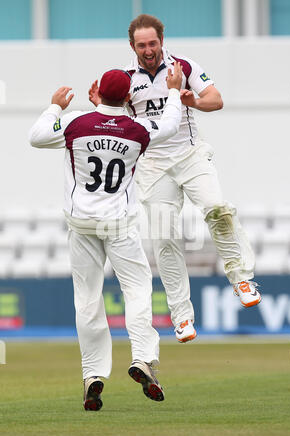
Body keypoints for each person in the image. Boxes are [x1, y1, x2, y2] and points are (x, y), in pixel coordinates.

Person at [89, 14, 262, 344]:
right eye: (141, 45)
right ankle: (182, 316)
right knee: (165, 239)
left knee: (217, 209)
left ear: (161, 41)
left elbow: (217, 99)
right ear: (132, 46)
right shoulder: (125, 78)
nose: (148, 50)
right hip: (153, 164)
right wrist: (101, 105)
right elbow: (114, 118)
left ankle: (241, 278)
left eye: (153, 43)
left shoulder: (183, 66)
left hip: (190, 155)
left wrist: (192, 100)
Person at [29, 62, 183, 410]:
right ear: (128, 96)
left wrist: (55, 105)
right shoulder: (138, 129)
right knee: (138, 291)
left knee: (87, 299)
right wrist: (173, 90)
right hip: (119, 225)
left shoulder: (75, 122)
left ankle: (93, 373)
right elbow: (171, 125)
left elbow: (36, 136)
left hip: (82, 223)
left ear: (97, 92)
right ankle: (143, 358)